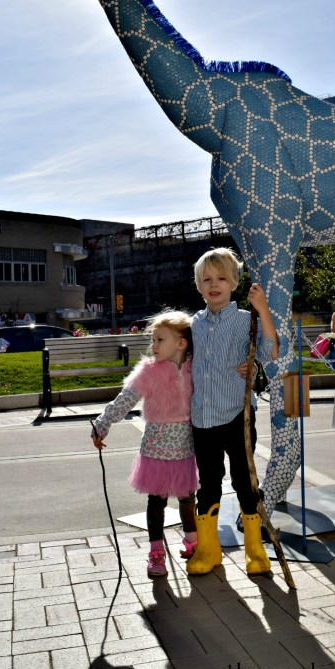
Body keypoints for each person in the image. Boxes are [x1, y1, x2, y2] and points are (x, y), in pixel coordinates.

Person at [188, 247, 278, 578]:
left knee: (244, 480)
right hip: (203, 417)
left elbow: (269, 353)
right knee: (208, 482)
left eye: (221, 278)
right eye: (207, 279)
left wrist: (263, 309)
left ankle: (254, 548)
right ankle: (209, 549)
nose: (214, 285)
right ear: (198, 285)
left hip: (237, 416)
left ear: (234, 282)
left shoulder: (245, 321)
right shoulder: (194, 324)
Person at [90, 310, 197, 579]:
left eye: (160, 340)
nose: (154, 346)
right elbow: (125, 400)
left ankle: (193, 542)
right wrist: (102, 424)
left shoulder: (195, 367)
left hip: (186, 445)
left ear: (181, 343)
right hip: (156, 446)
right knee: (157, 500)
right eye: (153, 340)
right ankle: (156, 551)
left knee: (187, 497)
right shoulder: (149, 371)